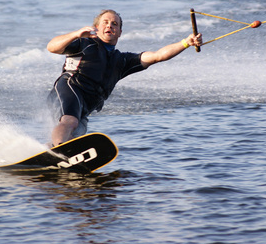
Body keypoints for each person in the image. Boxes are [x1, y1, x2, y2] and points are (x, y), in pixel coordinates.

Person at [46, 9, 202, 146]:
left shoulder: (122, 61)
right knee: (70, 122)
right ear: (97, 28)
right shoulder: (84, 43)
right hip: (69, 89)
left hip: (86, 105)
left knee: (75, 137)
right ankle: (59, 149)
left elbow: (158, 56)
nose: (109, 26)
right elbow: (52, 47)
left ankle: (50, 150)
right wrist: (76, 34)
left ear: (120, 32)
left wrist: (186, 42)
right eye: (105, 22)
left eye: (115, 24)